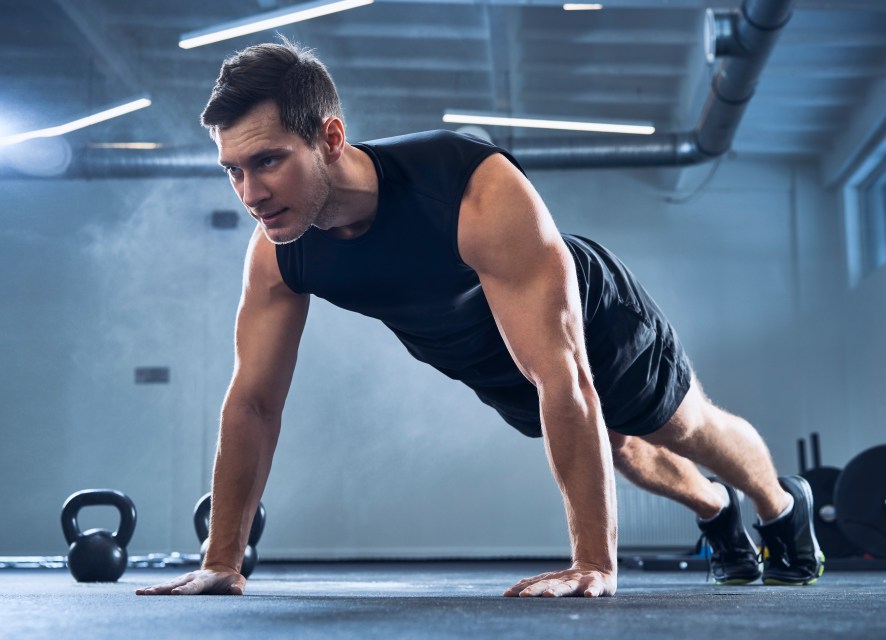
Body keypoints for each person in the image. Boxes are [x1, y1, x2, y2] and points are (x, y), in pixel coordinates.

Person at [136, 39, 823, 599]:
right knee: (620, 450)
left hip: (588, 317)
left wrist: (593, 564)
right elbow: (253, 402)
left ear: (331, 137)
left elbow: (565, 374)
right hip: (484, 354)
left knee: (677, 426)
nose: (251, 193)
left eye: (268, 162)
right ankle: (714, 512)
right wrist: (222, 559)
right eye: (233, 171)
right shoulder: (280, 252)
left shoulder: (468, 187)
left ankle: (781, 507)